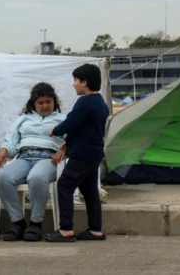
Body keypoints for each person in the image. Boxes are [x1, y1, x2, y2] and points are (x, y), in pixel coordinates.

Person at [0, 82, 66, 242]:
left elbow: (72, 140)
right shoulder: (23, 119)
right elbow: (11, 140)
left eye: (48, 101)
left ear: (55, 101)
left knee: (37, 177)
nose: (45, 106)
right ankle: (18, 222)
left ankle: (35, 223)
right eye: (40, 103)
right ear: (33, 104)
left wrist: (64, 150)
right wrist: (3, 150)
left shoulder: (63, 119)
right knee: (3, 177)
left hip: (49, 158)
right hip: (25, 157)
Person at [45, 63, 109, 242]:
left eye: (75, 80)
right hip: (94, 153)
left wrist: (55, 130)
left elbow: (71, 122)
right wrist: (68, 142)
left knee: (64, 185)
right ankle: (95, 229)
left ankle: (66, 229)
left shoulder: (85, 101)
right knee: (89, 191)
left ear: (84, 82)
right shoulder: (100, 103)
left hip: (83, 153)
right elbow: (86, 128)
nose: (73, 84)